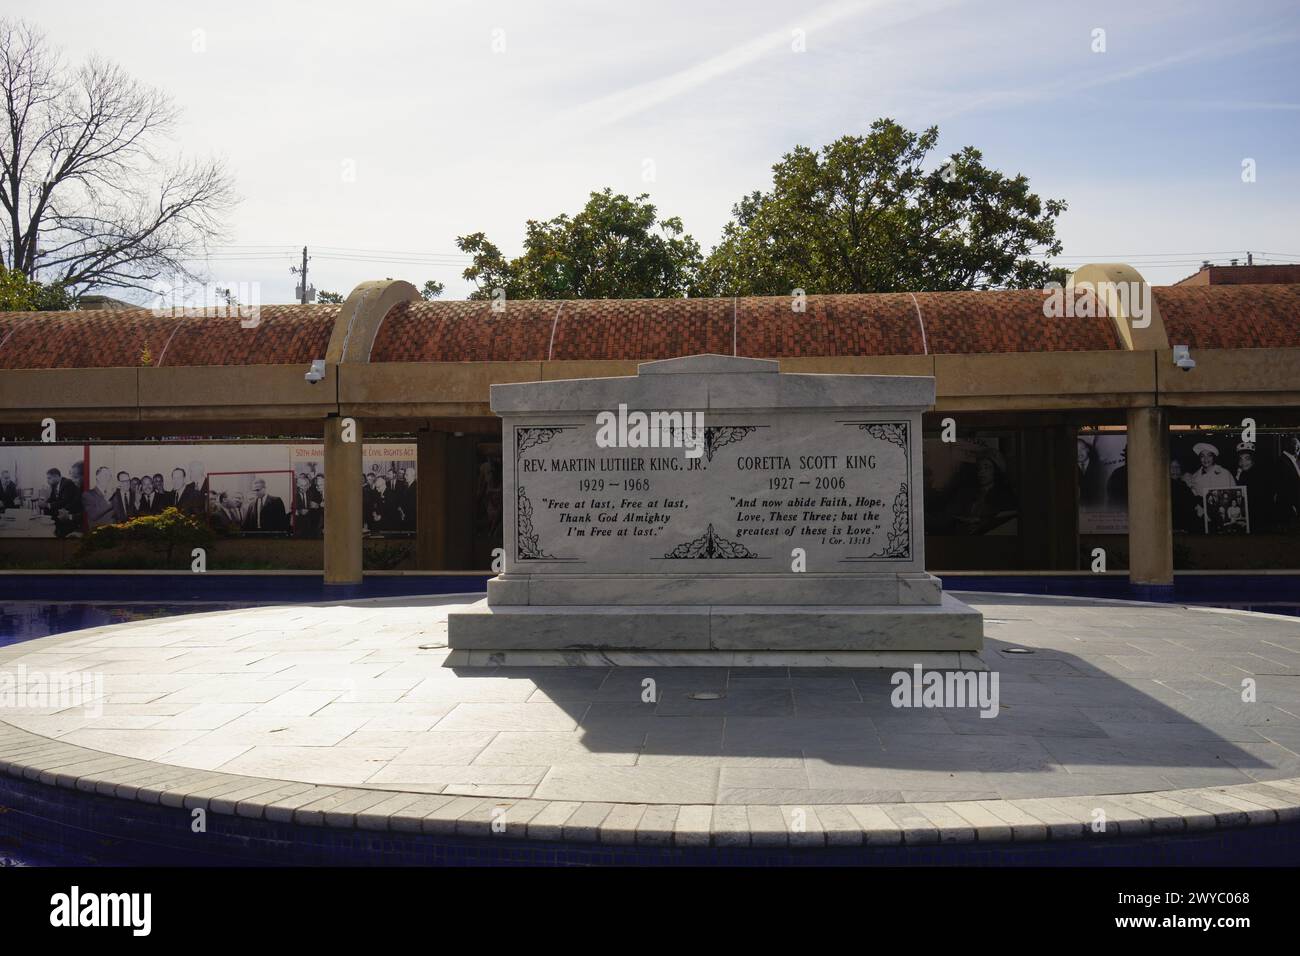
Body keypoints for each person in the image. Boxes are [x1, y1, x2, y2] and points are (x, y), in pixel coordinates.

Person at [43, 467, 83, 537]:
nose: (47, 481)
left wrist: (48, 505)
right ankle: (52, 529)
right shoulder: (54, 485)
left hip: (71, 509)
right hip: (63, 508)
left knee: (53, 510)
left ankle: (58, 532)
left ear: (56, 476)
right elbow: (51, 498)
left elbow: (65, 501)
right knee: (47, 509)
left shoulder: (67, 483)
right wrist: (45, 503)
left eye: (49, 478)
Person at [1170, 459, 1199, 533]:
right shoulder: (1165, 484)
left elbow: (1192, 500)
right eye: (1172, 467)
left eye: (1177, 467)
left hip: (1185, 525)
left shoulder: (1183, 484)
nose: (1175, 469)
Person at [1277, 435, 1300, 532]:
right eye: (1298, 445)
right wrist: (1292, 505)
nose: (1299, 449)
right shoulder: (1283, 462)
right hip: (1289, 505)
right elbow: (1284, 487)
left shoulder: (1290, 460)